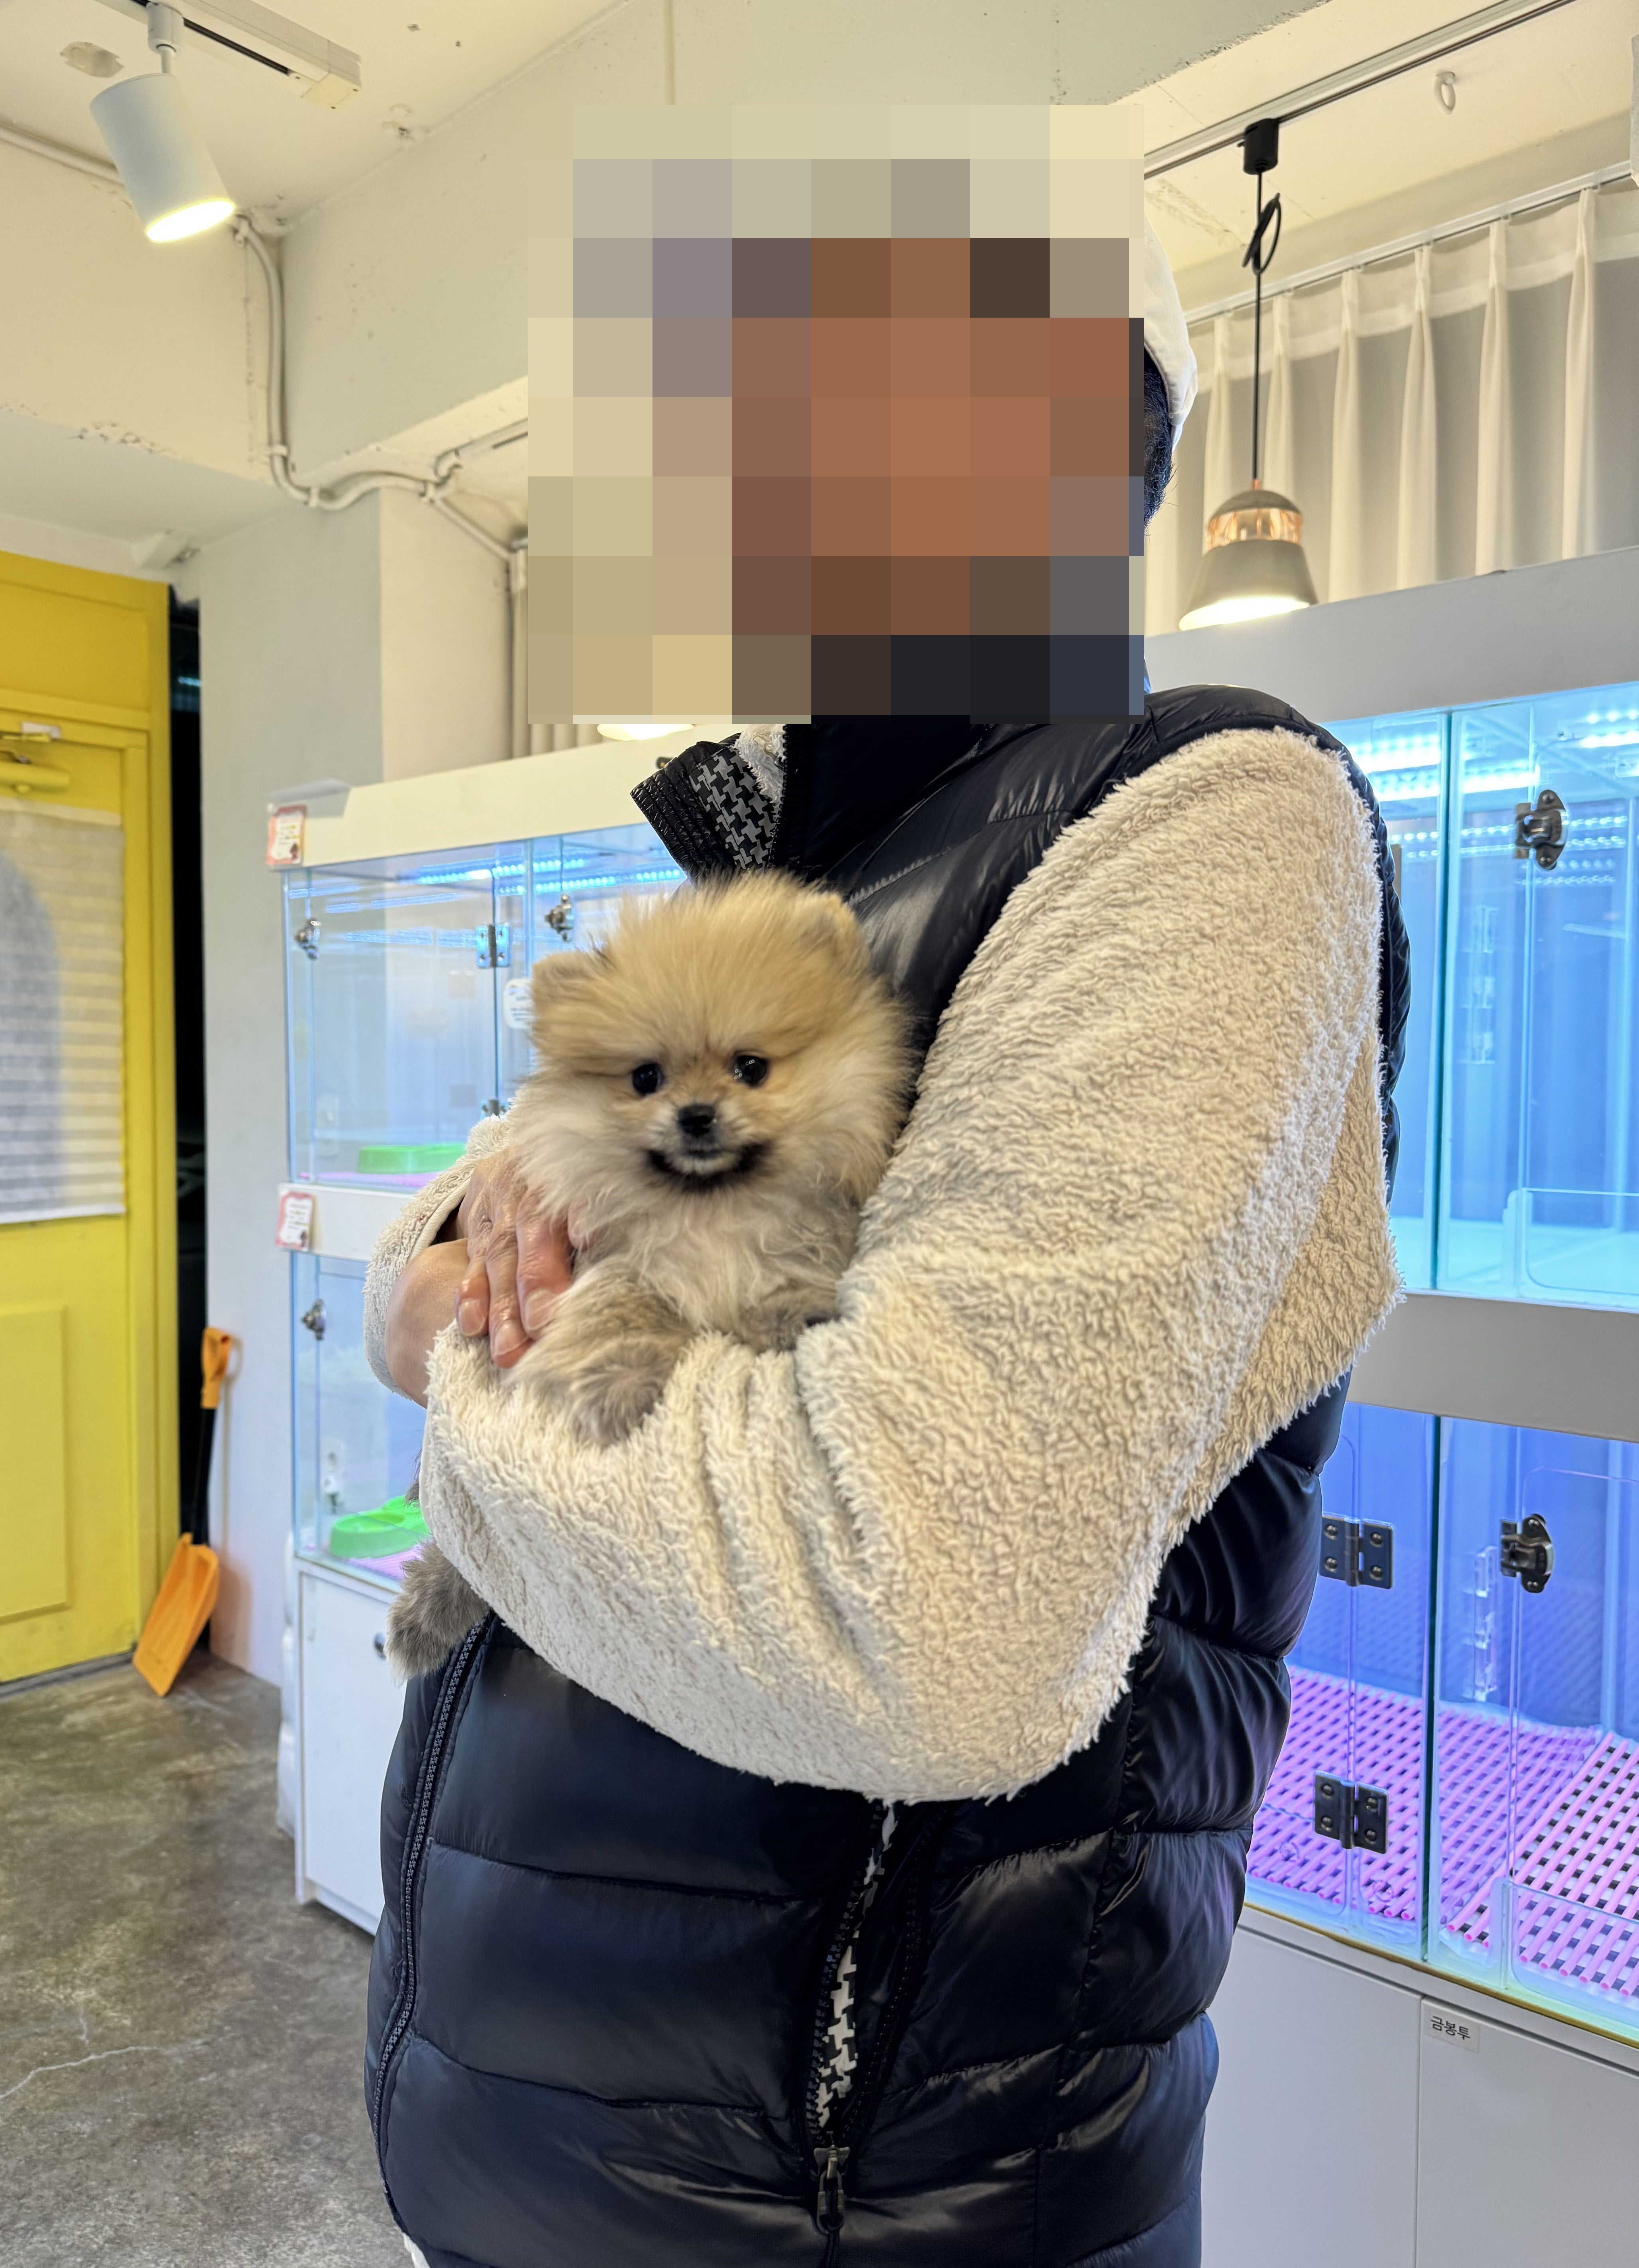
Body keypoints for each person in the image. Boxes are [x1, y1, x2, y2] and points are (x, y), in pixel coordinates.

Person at [363, 222, 1409, 2267]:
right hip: (538, 2148)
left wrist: (446, 1358)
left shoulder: (1205, 816)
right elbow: (488, 1194)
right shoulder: (788, 871)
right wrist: (457, 1267)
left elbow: (914, 1610)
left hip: (864, 2205)